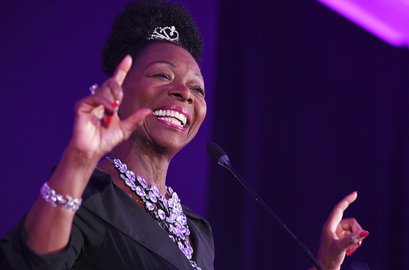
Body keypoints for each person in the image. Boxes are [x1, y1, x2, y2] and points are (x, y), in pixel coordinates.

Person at [0, 0, 368, 269]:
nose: (184, 93)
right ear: (118, 89)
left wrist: (326, 262)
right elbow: (30, 264)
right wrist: (79, 161)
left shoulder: (197, 231)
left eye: (198, 89)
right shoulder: (82, 195)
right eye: (162, 75)